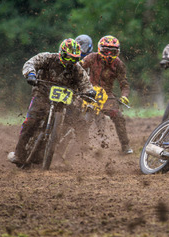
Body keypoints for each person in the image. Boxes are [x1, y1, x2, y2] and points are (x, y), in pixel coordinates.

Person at [8, 38, 96, 166]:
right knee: (31, 121)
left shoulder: (77, 69)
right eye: (68, 57)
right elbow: (31, 62)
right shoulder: (48, 58)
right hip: (43, 93)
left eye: (74, 59)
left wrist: (89, 92)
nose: (70, 61)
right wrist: (31, 74)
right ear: (61, 53)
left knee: (80, 122)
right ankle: (18, 153)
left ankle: (83, 152)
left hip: (65, 100)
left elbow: (85, 83)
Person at [81, 35, 133, 154]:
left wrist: (124, 96)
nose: (109, 55)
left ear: (117, 52)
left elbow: (124, 83)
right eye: (106, 51)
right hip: (88, 89)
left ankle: (125, 146)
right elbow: (78, 68)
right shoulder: (92, 57)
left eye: (113, 52)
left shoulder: (118, 64)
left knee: (118, 116)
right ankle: (76, 142)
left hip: (107, 95)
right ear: (100, 50)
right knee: (74, 112)